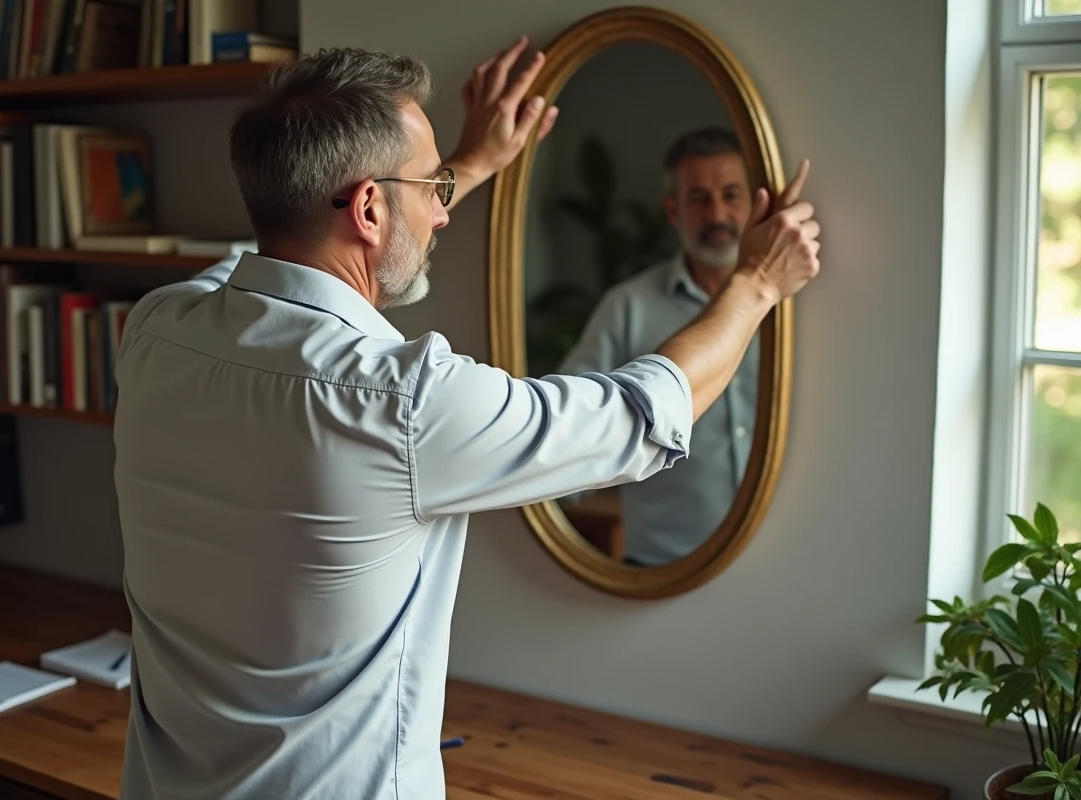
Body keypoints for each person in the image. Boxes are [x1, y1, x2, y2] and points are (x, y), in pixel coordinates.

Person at [112, 39, 819, 800]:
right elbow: (638, 416)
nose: (445, 209)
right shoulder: (403, 402)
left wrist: (467, 166)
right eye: (433, 187)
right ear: (370, 207)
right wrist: (755, 282)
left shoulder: (155, 328)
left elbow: (268, 255)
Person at [558, 126, 760, 566]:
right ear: (673, 209)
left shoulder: (796, 307)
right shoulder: (627, 307)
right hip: (659, 569)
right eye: (699, 199)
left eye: (731, 195)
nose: (718, 214)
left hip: (780, 569)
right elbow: (571, 434)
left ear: (754, 202)